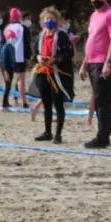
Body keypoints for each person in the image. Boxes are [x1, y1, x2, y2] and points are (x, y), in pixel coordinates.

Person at [80, 0, 111, 149]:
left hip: (103, 62)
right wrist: (84, 64)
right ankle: (102, 133)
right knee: (98, 99)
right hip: (92, 62)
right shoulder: (94, 15)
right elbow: (91, 40)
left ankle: (103, 136)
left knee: (103, 100)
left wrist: (108, 62)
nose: (95, 0)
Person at [32, 7, 74, 144]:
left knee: (58, 104)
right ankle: (47, 132)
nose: (49, 21)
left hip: (57, 74)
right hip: (43, 72)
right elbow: (33, 53)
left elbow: (69, 54)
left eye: (52, 18)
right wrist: (38, 57)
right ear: (42, 21)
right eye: (47, 19)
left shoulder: (61, 35)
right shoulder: (41, 35)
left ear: (57, 20)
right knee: (46, 103)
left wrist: (55, 60)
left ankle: (58, 134)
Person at [4, 8, 28, 108]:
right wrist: (28, 57)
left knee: (8, 78)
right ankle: (24, 102)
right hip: (19, 56)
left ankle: (5, 100)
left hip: (7, 54)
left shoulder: (7, 28)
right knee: (21, 79)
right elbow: (26, 44)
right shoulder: (22, 28)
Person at [0, 28, 18, 110]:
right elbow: (4, 61)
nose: (14, 39)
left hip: (11, 68)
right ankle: (4, 104)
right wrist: (6, 72)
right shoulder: (6, 48)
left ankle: (6, 102)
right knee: (7, 86)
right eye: (13, 37)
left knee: (9, 86)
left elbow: (13, 59)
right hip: (6, 69)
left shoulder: (12, 47)